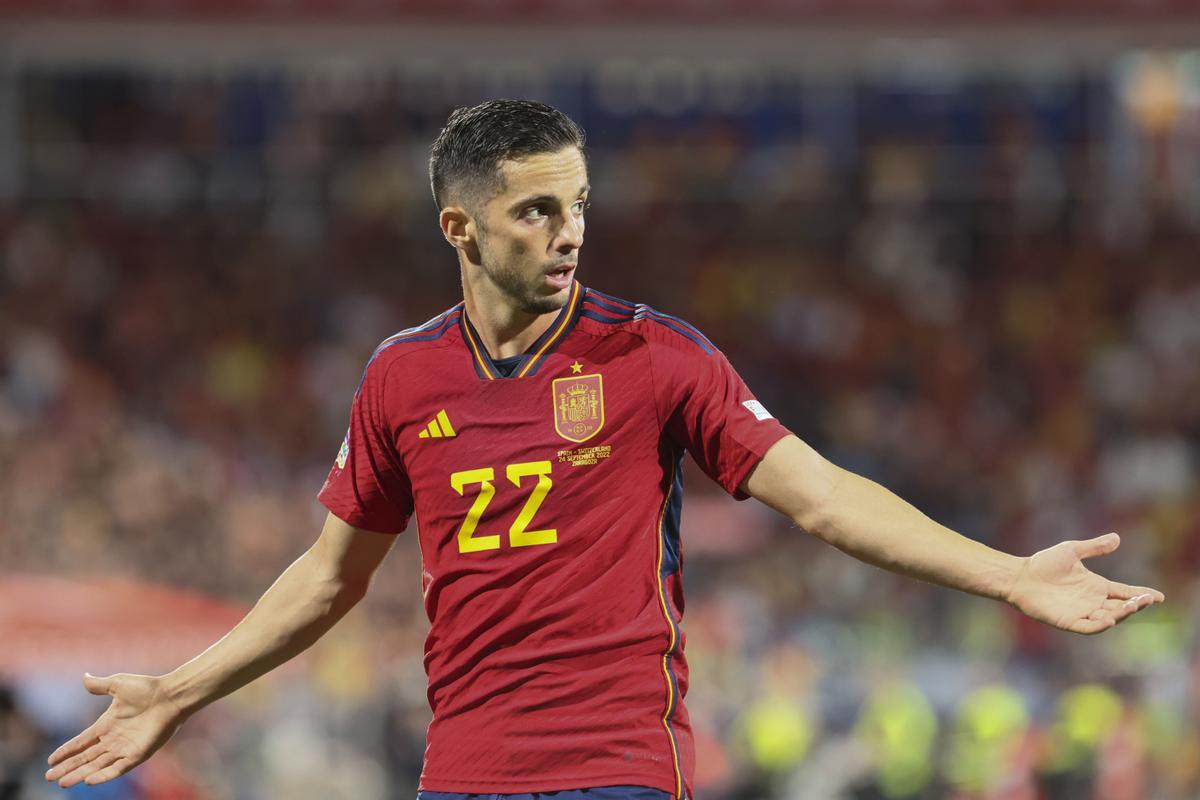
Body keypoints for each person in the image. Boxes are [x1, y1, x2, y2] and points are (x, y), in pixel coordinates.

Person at [44, 99, 1165, 800]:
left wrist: (1009, 571)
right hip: (463, 773)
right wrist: (181, 691)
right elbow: (330, 576)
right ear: (461, 228)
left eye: (577, 202)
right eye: (534, 209)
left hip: (620, 764)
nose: (569, 228)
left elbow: (819, 497)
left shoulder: (655, 355)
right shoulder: (400, 376)